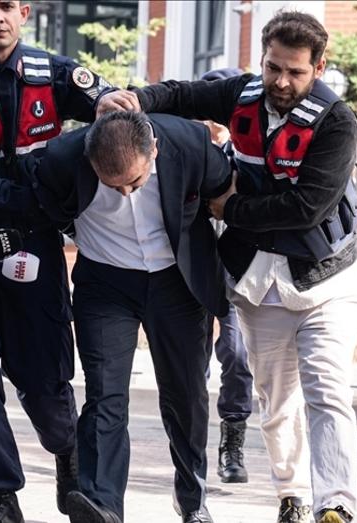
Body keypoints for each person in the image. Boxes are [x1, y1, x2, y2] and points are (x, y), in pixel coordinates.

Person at [98, 10, 357, 523]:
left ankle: (335, 505)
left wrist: (231, 208)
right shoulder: (242, 94)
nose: (281, 82)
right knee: (276, 399)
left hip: (327, 281)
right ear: (262, 60)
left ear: (318, 68)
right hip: (258, 281)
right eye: (273, 68)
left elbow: (307, 207)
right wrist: (136, 99)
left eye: (295, 72)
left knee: (327, 389)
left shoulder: (338, 123)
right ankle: (292, 494)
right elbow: (181, 95)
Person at [0, 1, 114, 521]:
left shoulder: (54, 72)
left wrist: (114, 107)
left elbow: (111, 109)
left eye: (7, 5)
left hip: (37, 246)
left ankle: (69, 461)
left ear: (25, 12)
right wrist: (31, 201)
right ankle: (1, 497)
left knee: (45, 372)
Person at [29, 111, 230, 523]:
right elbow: (48, 210)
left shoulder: (190, 143)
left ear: (154, 149)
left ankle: (192, 500)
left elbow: (225, 193)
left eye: (135, 182)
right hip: (105, 284)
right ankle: (103, 504)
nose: (124, 193)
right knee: (105, 393)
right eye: (112, 185)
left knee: (186, 394)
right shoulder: (61, 160)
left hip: (177, 280)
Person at [198, 67, 255, 486]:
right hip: (194, 267)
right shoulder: (187, 146)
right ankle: (191, 446)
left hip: (238, 268)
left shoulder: (248, 149)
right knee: (191, 360)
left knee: (236, 353)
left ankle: (232, 441)